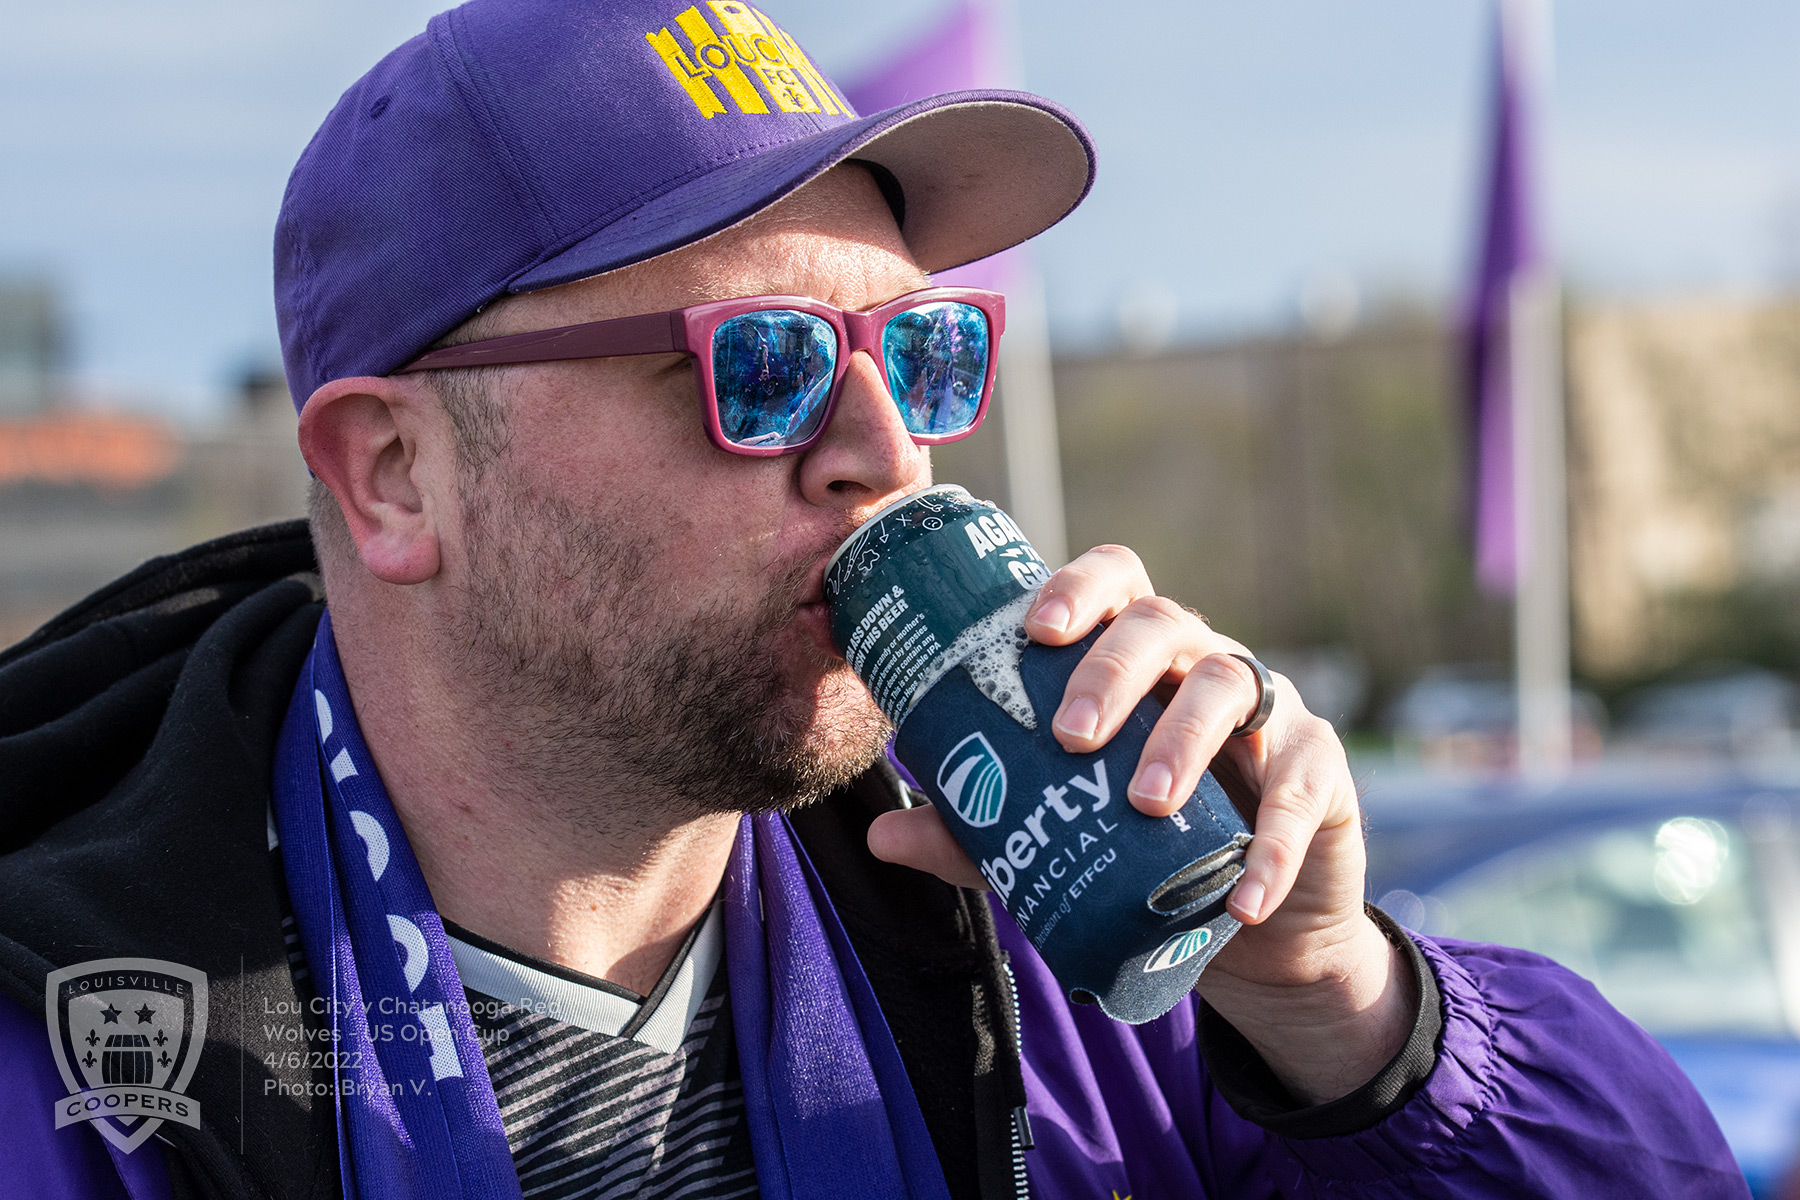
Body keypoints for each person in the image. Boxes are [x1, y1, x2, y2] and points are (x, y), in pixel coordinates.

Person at [0, 2, 1747, 1197]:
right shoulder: (80, 1056)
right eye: (757, 363)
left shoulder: (1044, 943)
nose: (885, 454)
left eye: (921, 348)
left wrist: (1346, 1015)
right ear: (393, 475)